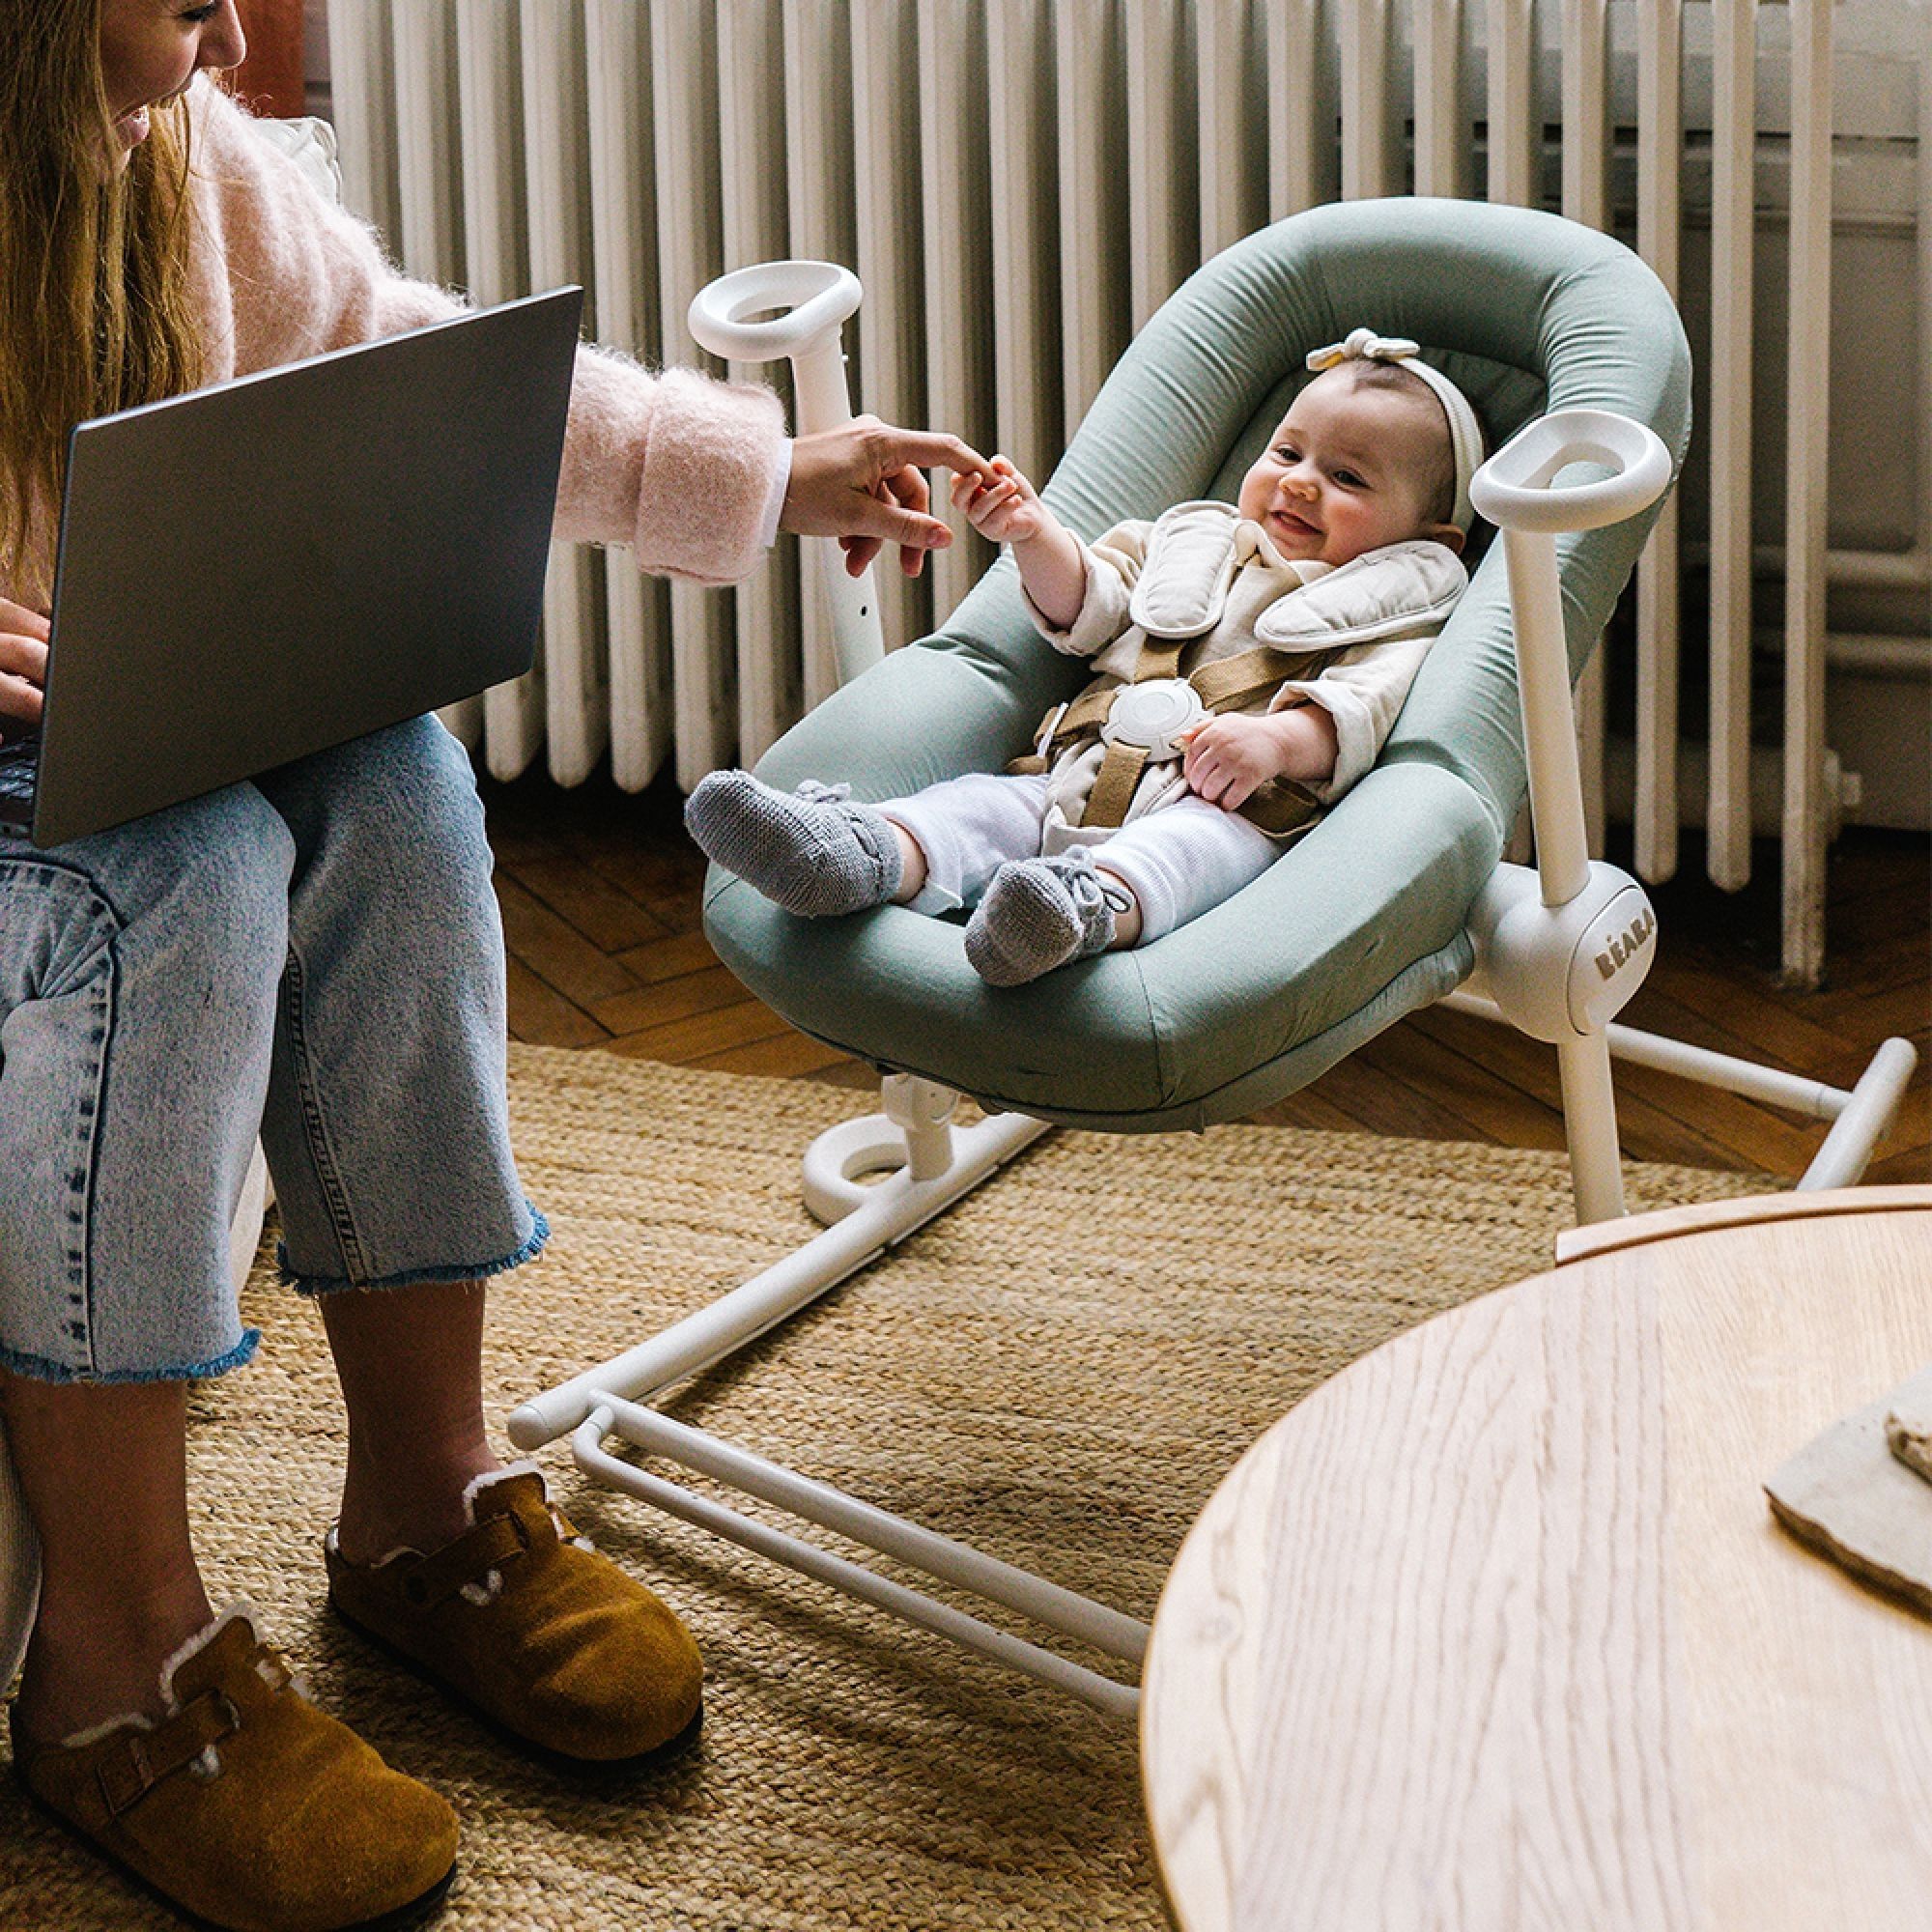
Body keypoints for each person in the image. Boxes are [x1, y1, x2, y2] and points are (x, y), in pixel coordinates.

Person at [0, 5, 990, 1929]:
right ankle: (115, 1660)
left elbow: (412, 367)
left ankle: (422, 1500)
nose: (221, 34)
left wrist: (769, 469)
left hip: (112, 715)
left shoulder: (190, 165)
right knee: (182, 874)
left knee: (402, 784)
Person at [686, 327, 1484, 985]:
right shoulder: (1185, 542)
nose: (1299, 484)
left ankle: (1076, 912)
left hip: (1233, 807)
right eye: (1286, 453)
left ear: (1428, 538)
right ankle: (859, 853)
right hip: (1077, 771)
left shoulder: (1393, 617)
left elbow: (1360, 709)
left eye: (1346, 476)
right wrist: (1034, 536)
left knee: (1188, 854)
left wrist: (1276, 742)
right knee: (979, 806)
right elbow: (1087, 608)